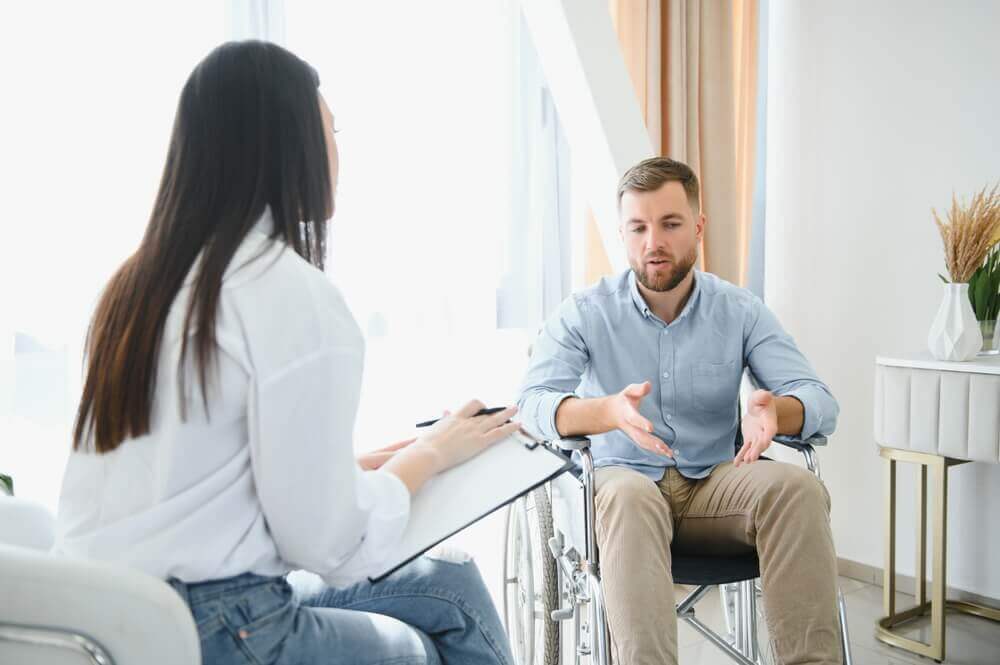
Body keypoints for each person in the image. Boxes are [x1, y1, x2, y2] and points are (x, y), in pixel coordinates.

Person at [55, 40, 515, 665]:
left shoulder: (139, 287)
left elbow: (191, 484)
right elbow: (328, 544)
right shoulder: (285, 293)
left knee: (449, 584)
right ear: (285, 146)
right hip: (215, 623)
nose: (337, 151)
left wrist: (366, 465)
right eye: (331, 129)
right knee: (414, 650)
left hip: (96, 613)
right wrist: (431, 455)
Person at [518, 157, 842, 665]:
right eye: (638, 228)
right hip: (623, 485)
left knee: (797, 489)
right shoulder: (585, 311)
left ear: (698, 226)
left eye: (670, 224)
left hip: (715, 483)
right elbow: (531, 406)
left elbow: (819, 400)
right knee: (629, 498)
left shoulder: (739, 310)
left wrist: (779, 410)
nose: (654, 243)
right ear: (622, 234)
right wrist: (604, 411)